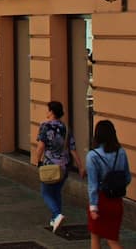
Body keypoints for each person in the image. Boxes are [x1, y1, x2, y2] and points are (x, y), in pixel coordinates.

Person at [36, 100, 85, 233]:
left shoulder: (45, 126)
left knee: (45, 192)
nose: (46, 112)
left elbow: (41, 146)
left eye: (47, 110)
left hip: (49, 166)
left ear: (51, 112)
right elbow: (73, 149)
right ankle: (55, 220)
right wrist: (80, 166)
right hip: (64, 167)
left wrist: (38, 161)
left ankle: (57, 214)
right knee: (56, 192)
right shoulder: (65, 128)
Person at [86, 120, 132, 249]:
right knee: (113, 238)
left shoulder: (92, 156)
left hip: (101, 199)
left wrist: (93, 206)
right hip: (116, 201)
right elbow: (127, 177)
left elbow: (93, 185)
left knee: (95, 236)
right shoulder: (121, 152)